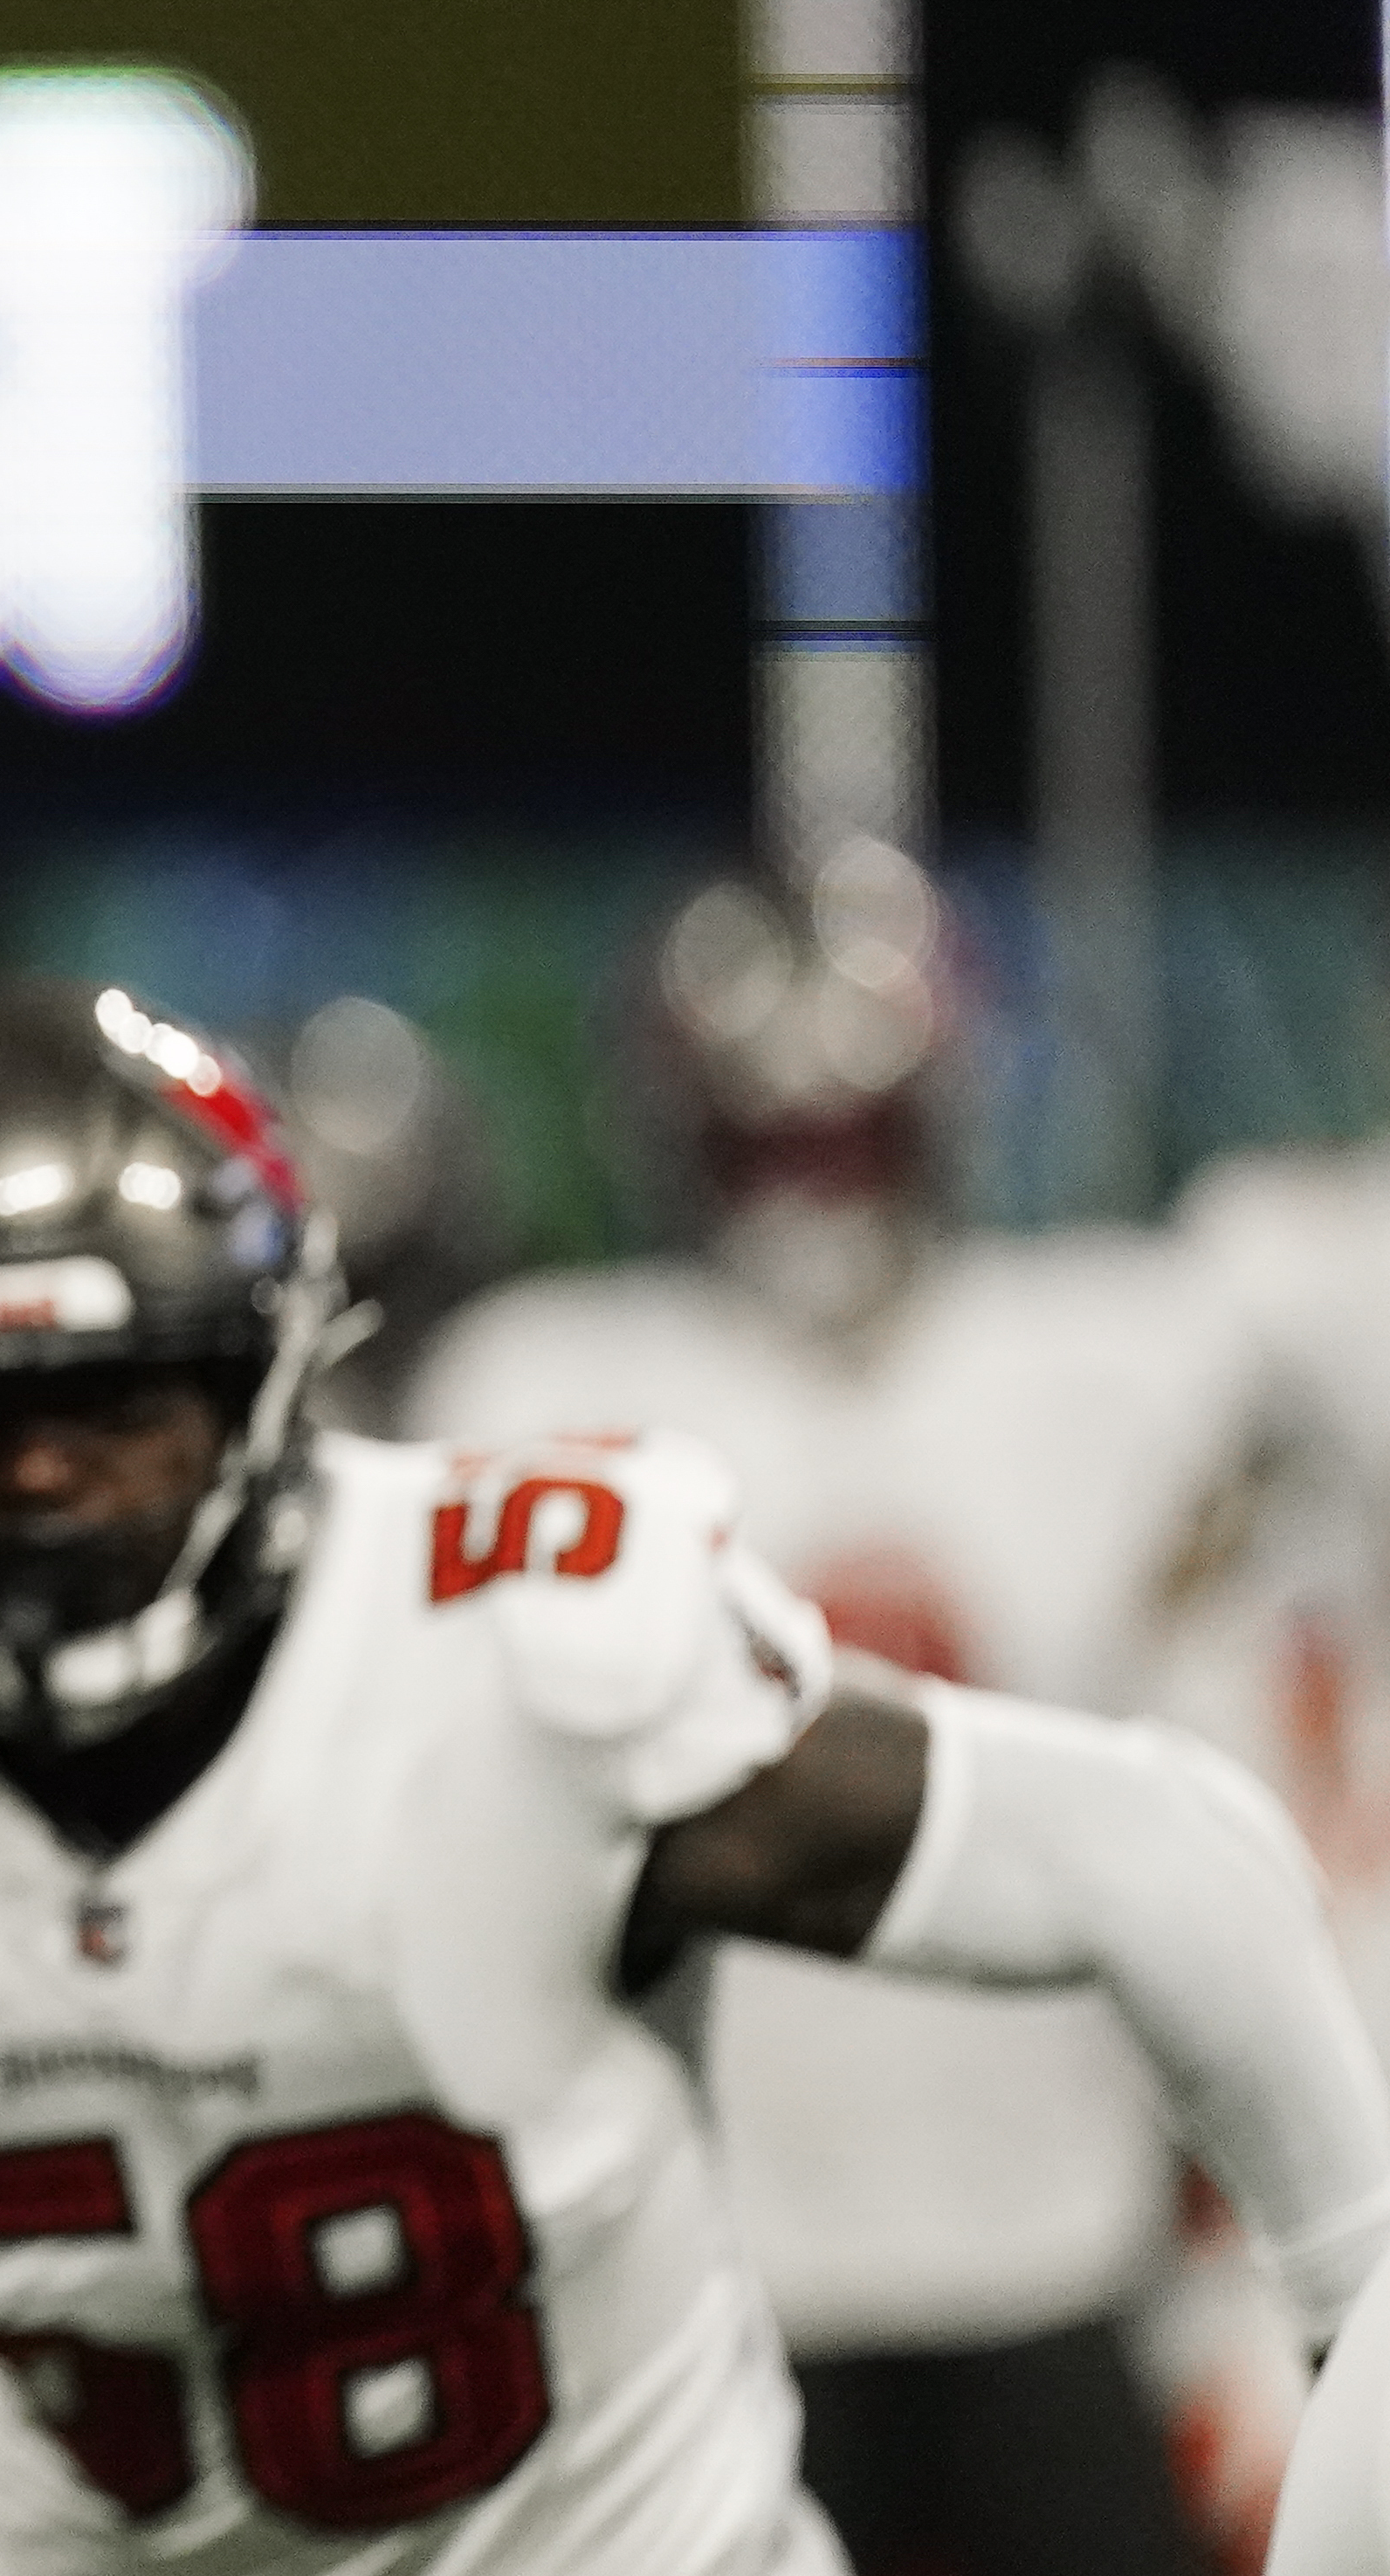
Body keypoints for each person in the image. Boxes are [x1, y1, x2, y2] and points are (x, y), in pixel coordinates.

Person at [0, 974, 1390, 2573]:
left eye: (112, 1401)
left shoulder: (507, 1649)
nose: (37, 1482)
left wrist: (1358, 2329)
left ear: (261, 1382)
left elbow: (1157, 1859)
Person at [407, 842, 1290, 2569]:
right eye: (766, 1137)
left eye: (851, 1132)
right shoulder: (550, 1378)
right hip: (710, 2263)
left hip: (1048, 2237)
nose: (813, 1187)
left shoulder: (1107, 1356)